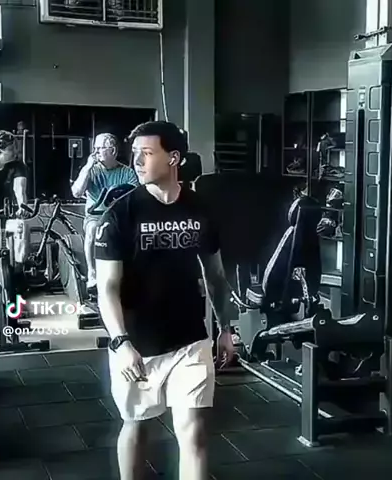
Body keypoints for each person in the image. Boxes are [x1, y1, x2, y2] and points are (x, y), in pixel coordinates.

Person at [94, 121, 236, 480]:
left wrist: (225, 328)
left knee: (194, 431)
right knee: (137, 426)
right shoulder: (120, 215)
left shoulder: (200, 209)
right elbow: (107, 287)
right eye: (135, 153)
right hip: (138, 344)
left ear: (173, 158)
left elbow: (216, 276)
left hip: (190, 339)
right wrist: (121, 342)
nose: (137, 161)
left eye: (146, 153)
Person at [71, 133, 138, 290]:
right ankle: (92, 274)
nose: (95, 152)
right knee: (93, 229)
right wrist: (87, 167)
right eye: (94, 148)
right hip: (95, 216)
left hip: (119, 217)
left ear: (112, 151)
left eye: (100, 148)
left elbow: (136, 196)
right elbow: (77, 192)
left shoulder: (127, 172)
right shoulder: (91, 170)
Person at [0, 130, 29, 247]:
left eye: (16, 148)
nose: (15, 152)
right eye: (11, 149)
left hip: (6, 210)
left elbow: (19, 188)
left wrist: (22, 205)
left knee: (19, 234)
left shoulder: (18, 166)